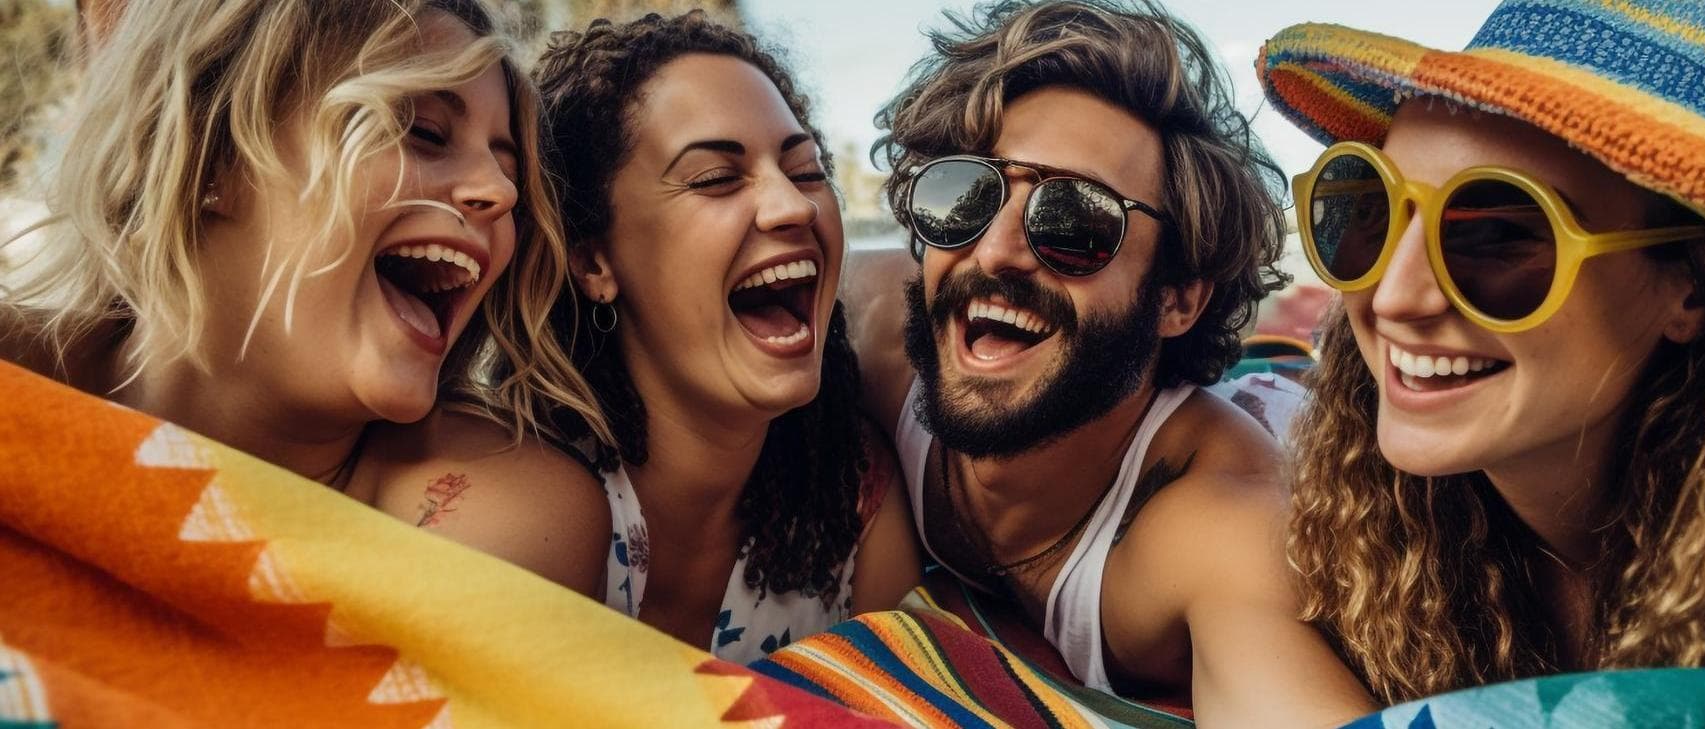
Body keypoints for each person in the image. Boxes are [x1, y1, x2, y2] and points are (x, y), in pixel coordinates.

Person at [1260, 0, 1705, 705]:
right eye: (1367, 208)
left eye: (1495, 236)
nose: (1394, 296)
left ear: (1695, 287)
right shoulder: (1362, 506)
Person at [845, 0, 1374, 724]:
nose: (995, 251)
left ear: (1178, 298)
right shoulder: (876, 328)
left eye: (1074, 222)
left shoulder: (1215, 523)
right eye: (965, 195)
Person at [1, 0, 614, 594]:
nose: (501, 193)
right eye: (423, 131)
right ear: (211, 153)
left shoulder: (508, 514)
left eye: (506, 168)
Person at [531, 12, 920, 664]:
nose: (793, 206)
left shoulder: (853, 498)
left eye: (804, 170)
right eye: (715, 178)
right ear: (594, 261)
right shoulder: (524, 486)